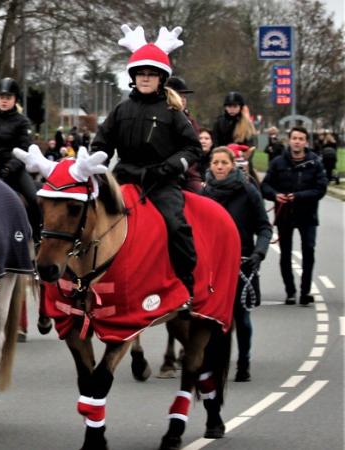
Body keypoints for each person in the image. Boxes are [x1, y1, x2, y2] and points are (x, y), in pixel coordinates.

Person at [92, 24, 201, 295]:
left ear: (161, 78)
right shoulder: (121, 109)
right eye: (141, 73)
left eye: (151, 74)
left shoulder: (172, 111)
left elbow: (192, 148)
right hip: (124, 178)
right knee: (87, 218)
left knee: (176, 226)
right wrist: (96, 167)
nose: (145, 78)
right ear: (133, 76)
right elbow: (101, 144)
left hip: (160, 181)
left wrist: (170, 167)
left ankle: (186, 283)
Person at [203, 146, 272, 382]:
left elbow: (264, 227)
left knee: (241, 317)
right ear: (210, 165)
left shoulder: (248, 191)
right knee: (211, 317)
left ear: (233, 165)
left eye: (224, 163)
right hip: (213, 266)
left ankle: (244, 362)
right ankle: (212, 363)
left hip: (243, 264)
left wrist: (259, 253)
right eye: (216, 163)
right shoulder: (205, 194)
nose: (220, 167)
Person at [261, 126, 327, 305]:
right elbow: (265, 186)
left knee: (308, 251)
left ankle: (305, 292)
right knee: (285, 254)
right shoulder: (278, 163)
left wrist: (298, 196)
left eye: (301, 138)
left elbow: (320, 189)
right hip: (285, 214)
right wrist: (275, 195)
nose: (297, 141)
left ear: (306, 142)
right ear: (289, 140)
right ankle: (290, 291)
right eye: (294, 138)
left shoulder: (315, 163)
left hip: (307, 215)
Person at [0, 77, 41, 237]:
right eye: (1, 97)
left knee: (34, 200)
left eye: (8, 98)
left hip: (14, 170)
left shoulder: (23, 122)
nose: (4, 101)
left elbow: (24, 148)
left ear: (15, 99)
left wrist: (9, 168)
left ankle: (38, 236)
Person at [165, 76, 202, 192]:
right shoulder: (162, 118)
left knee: (200, 192)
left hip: (189, 172)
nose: (183, 99)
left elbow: (196, 148)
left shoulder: (190, 120)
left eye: (184, 96)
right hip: (165, 171)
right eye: (179, 96)